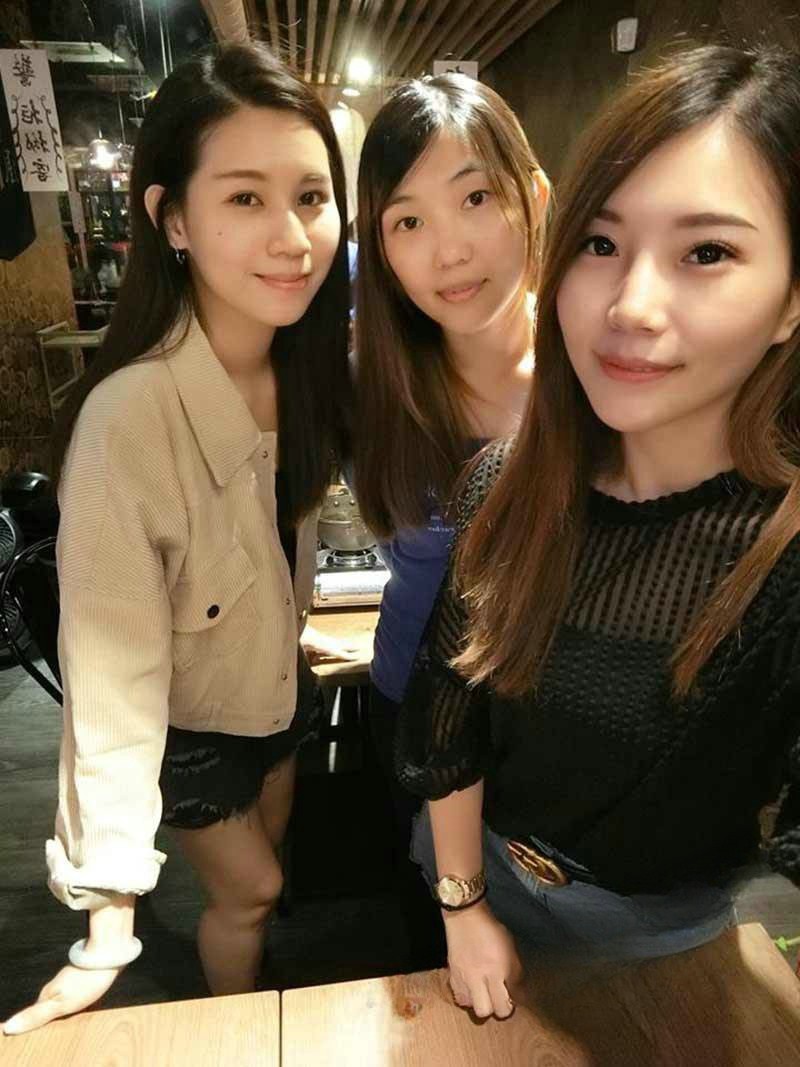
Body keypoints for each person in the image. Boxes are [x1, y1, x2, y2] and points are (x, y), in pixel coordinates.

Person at [398, 43, 800, 1020]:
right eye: (600, 243)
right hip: (465, 882)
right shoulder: (505, 482)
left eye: (706, 252)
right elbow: (446, 720)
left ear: (791, 299)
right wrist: (462, 901)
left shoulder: (781, 553)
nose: (630, 306)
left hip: (660, 941)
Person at [3, 41, 351, 1035]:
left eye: (311, 197)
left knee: (270, 874)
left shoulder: (306, 370)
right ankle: (243, 1031)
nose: (292, 236)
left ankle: (258, 982)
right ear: (172, 219)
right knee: (250, 890)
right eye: (244, 198)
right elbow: (109, 673)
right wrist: (106, 916)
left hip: (273, 686)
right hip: (187, 721)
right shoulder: (129, 417)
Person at [351, 74, 549, 964]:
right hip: (408, 710)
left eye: (475, 198)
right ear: (381, 249)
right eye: (408, 221)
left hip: (546, 723)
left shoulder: (606, 368)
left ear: (533, 196)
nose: (450, 251)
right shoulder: (373, 388)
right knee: (434, 946)